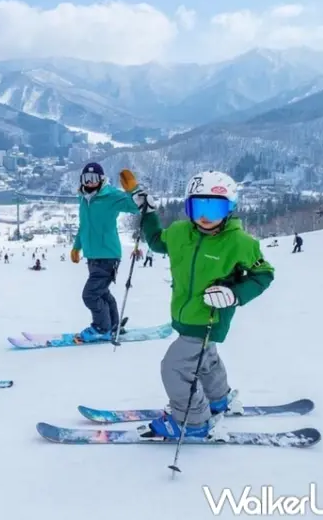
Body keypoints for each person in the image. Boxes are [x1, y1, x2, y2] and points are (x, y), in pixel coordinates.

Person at [120, 169, 274, 439]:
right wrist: (148, 213)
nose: (205, 216)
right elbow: (156, 242)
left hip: (210, 318)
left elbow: (264, 274)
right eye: (198, 207)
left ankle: (192, 421)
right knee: (206, 359)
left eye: (214, 208)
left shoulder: (240, 243)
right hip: (186, 314)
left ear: (230, 208)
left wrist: (234, 293)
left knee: (175, 367)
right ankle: (218, 399)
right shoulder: (180, 232)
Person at [70, 162, 139, 341]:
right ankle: (113, 325)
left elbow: (135, 206)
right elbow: (84, 226)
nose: (89, 182)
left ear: (101, 179)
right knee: (101, 292)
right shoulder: (83, 198)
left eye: (94, 178)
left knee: (90, 295)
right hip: (92, 255)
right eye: (86, 178)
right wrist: (77, 247)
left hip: (108, 254)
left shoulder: (110, 195)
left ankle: (101, 327)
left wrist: (133, 190)